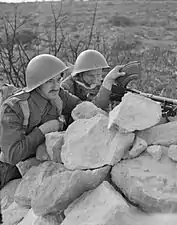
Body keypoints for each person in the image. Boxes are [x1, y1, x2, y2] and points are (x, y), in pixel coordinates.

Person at [0, 53, 125, 189]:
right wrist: (43, 130)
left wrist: (107, 83)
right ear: (37, 83)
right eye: (49, 81)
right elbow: (12, 155)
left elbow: (86, 109)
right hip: (6, 172)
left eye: (58, 79)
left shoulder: (58, 95)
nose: (56, 86)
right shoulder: (14, 108)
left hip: (36, 168)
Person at [61, 49, 126, 110]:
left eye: (98, 74)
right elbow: (89, 111)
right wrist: (107, 82)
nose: (96, 79)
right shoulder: (67, 87)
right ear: (80, 74)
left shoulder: (102, 83)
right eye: (91, 76)